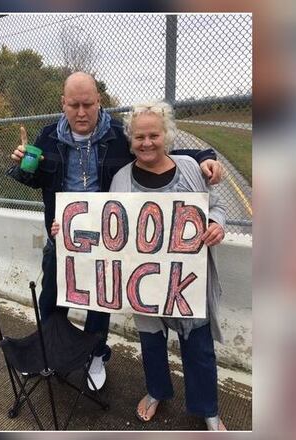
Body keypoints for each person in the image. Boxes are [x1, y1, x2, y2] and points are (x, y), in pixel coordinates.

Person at [7, 72, 224, 391]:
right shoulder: (48, 136)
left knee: (99, 304)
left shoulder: (118, 137)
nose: (81, 112)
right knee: (52, 298)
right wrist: (20, 165)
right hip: (62, 235)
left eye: (88, 104)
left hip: (106, 241)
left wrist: (206, 157)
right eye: (73, 105)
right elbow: (36, 178)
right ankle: (49, 351)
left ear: (99, 102)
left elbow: (160, 152)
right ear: (62, 104)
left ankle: (95, 356)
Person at [108, 100, 229, 430]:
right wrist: (69, 228)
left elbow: (216, 207)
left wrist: (216, 224)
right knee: (150, 342)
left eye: (153, 135)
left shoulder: (191, 168)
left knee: (199, 346)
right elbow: (108, 229)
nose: (146, 143)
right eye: (139, 137)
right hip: (143, 280)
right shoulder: (120, 179)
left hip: (189, 280)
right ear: (130, 140)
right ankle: (156, 391)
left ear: (167, 136)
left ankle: (208, 408)